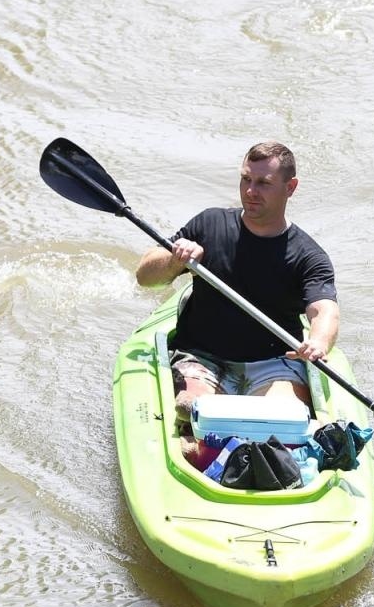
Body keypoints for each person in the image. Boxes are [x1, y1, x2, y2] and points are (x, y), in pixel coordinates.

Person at [135, 141, 339, 430]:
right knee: (191, 409)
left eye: (263, 183)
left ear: (290, 187)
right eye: (245, 179)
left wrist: (319, 341)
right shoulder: (209, 224)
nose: (250, 191)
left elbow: (324, 311)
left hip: (273, 362)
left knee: (278, 423)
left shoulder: (309, 255)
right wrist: (174, 260)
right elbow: (145, 277)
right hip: (201, 356)